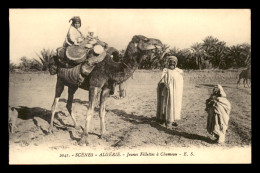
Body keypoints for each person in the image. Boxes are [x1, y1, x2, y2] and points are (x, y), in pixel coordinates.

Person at [156, 56, 184, 128]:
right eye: (170, 62)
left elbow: (180, 82)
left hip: (176, 93)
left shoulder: (178, 71)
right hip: (168, 92)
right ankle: (167, 121)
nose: (172, 63)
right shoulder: (166, 71)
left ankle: (173, 119)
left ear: (176, 63)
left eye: (173, 62)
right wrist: (165, 85)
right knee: (167, 105)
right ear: (168, 63)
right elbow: (162, 81)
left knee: (175, 105)